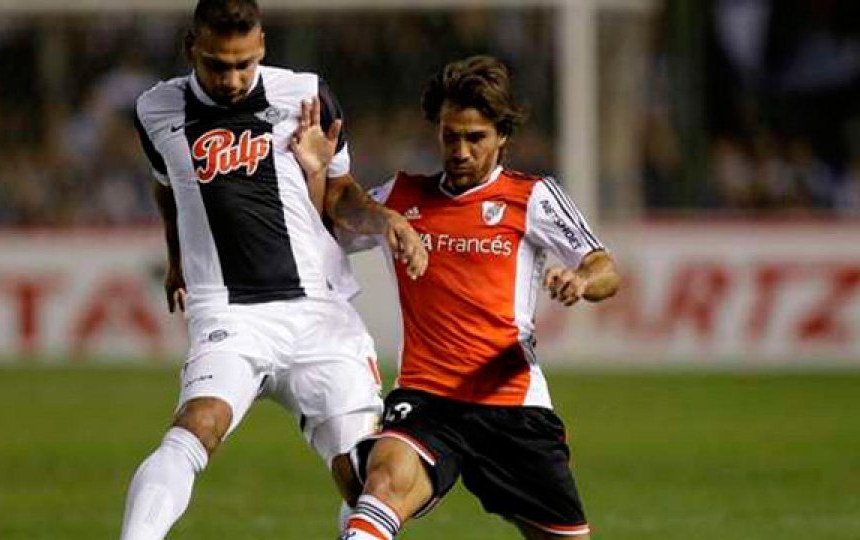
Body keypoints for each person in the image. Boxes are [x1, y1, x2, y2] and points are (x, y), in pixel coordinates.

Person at [121, 1, 427, 539]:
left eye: (244, 64)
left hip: (317, 311)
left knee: (369, 479)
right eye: (217, 65)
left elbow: (338, 194)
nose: (232, 79)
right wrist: (176, 259)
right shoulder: (156, 109)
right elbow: (166, 184)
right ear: (191, 48)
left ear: (261, 45)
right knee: (196, 426)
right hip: (229, 312)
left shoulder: (306, 95)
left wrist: (384, 220)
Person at [291, 55, 619, 539]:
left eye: (475, 138)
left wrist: (582, 280)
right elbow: (325, 229)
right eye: (450, 136)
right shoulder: (401, 198)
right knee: (381, 481)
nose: (460, 151)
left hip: (512, 405)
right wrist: (317, 172)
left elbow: (604, 267)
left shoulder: (532, 197)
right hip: (427, 400)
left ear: (502, 135)